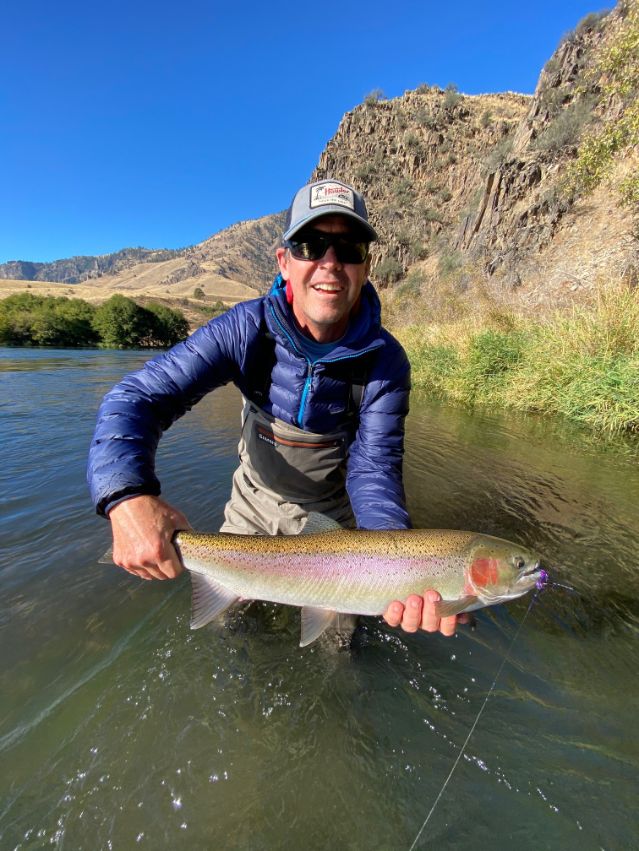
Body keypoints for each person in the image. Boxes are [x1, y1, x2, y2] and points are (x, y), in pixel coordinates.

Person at [88, 178, 464, 638]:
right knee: (228, 629)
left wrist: (398, 565)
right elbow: (137, 399)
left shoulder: (386, 362)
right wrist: (126, 497)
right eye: (311, 245)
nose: (330, 263)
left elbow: (374, 469)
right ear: (284, 262)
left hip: (338, 525)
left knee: (340, 645)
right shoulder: (245, 330)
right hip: (252, 506)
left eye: (349, 249)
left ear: (366, 267)